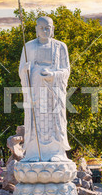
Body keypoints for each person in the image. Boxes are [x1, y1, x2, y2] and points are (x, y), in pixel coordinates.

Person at [18, 16, 71, 162]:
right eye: (41, 28)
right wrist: (25, 70)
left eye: (48, 27)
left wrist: (53, 74)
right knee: (35, 120)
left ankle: (56, 152)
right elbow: (21, 71)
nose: (45, 30)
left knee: (55, 120)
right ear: (36, 29)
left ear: (53, 29)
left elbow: (66, 70)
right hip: (36, 90)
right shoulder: (28, 46)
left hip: (53, 92)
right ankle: (34, 152)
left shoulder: (60, 47)